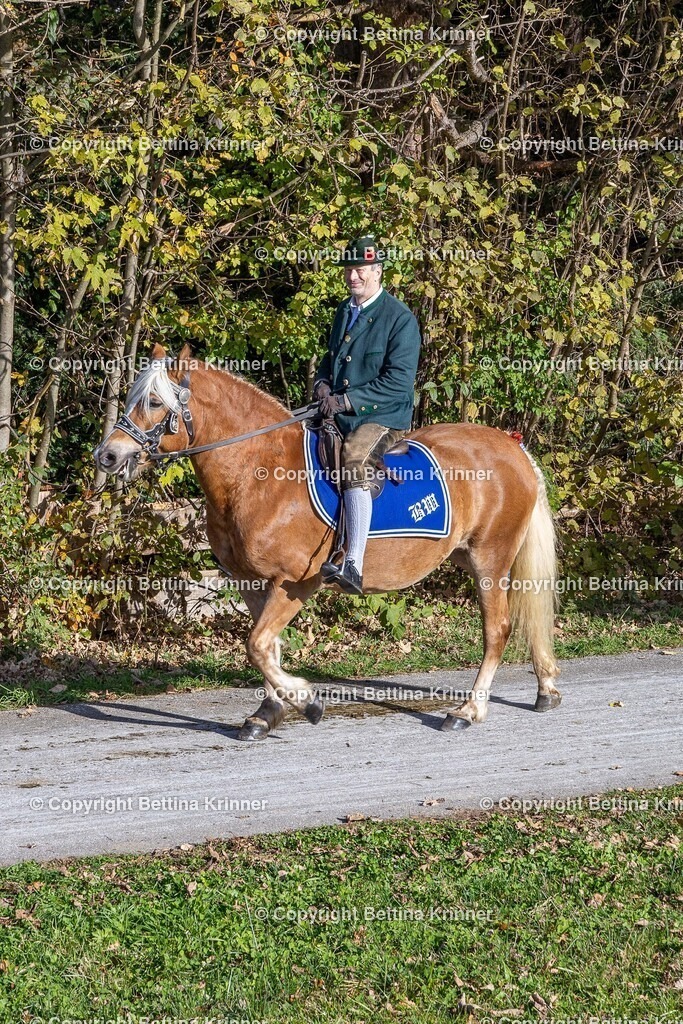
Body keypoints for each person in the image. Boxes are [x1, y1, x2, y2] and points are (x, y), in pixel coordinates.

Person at [313, 235, 422, 595]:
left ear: (377, 271)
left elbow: (398, 384)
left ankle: (354, 564)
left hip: (384, 416)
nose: (353, 276)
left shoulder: (400, 319)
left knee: (355, 457)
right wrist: (322, 385)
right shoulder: (344, 311)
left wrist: (346, 401)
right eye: (349, 270)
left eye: (360, 270)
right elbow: (330, 359)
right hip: (340, 410)